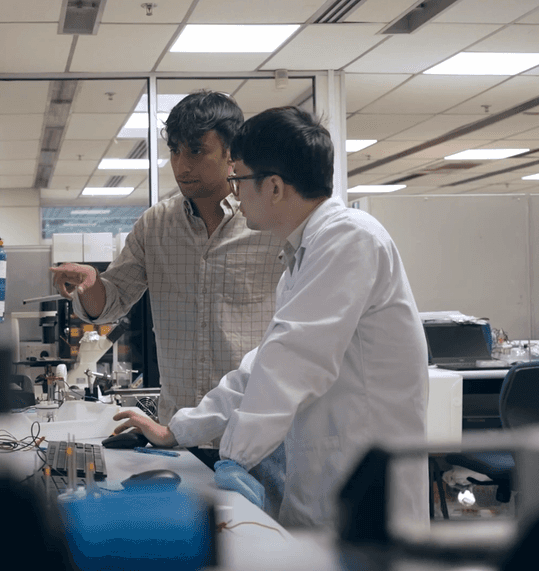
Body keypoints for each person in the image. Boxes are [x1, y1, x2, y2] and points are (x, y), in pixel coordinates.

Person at [111, 106, 430, 528]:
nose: (235, 191)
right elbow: (264, 362)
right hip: (325, 481)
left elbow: (293, 361)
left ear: (275, 187)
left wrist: (235, 456)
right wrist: (180, 429)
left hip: (365, 490)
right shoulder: (302, 256)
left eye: (239, 178)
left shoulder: (350, 238)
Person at [50, 90, 287, 513]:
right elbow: (112, 301)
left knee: (260, 550)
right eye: (175, 150)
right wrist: (90, 284)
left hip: (255, 435)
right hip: (179, 435)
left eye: (197, 151)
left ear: (231, 153)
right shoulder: (155, 225)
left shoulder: (268, 225)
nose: (182, 165)